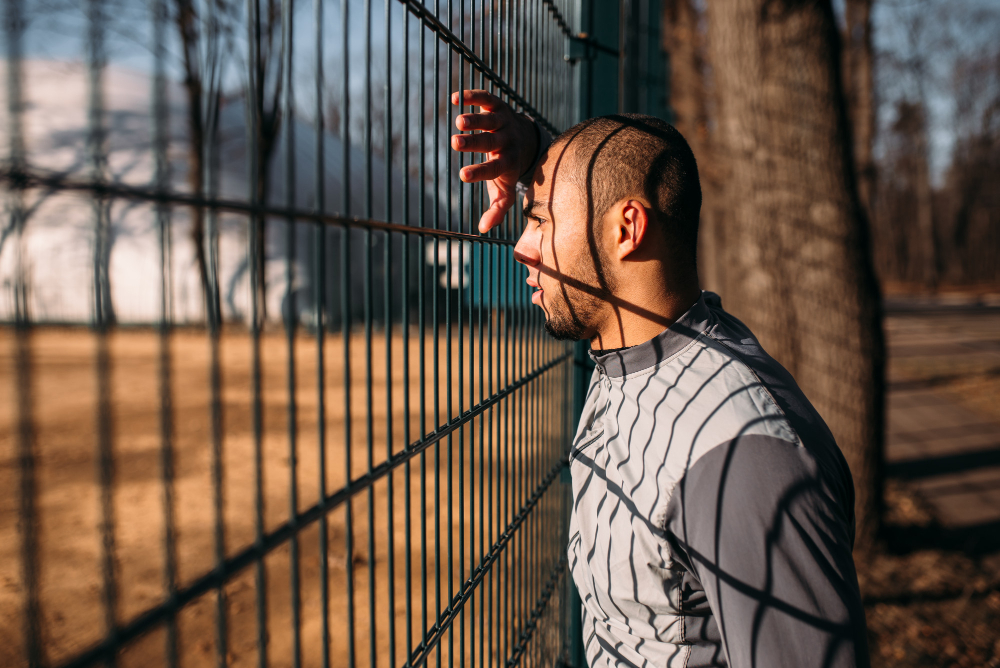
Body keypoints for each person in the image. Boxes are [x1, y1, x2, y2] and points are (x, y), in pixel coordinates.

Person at [449, 90, 871, 668]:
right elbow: (611, 177)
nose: (521, 247)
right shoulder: (640, 350)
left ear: (628, 229)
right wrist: (534, 157)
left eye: (540, 220)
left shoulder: (742, 457)